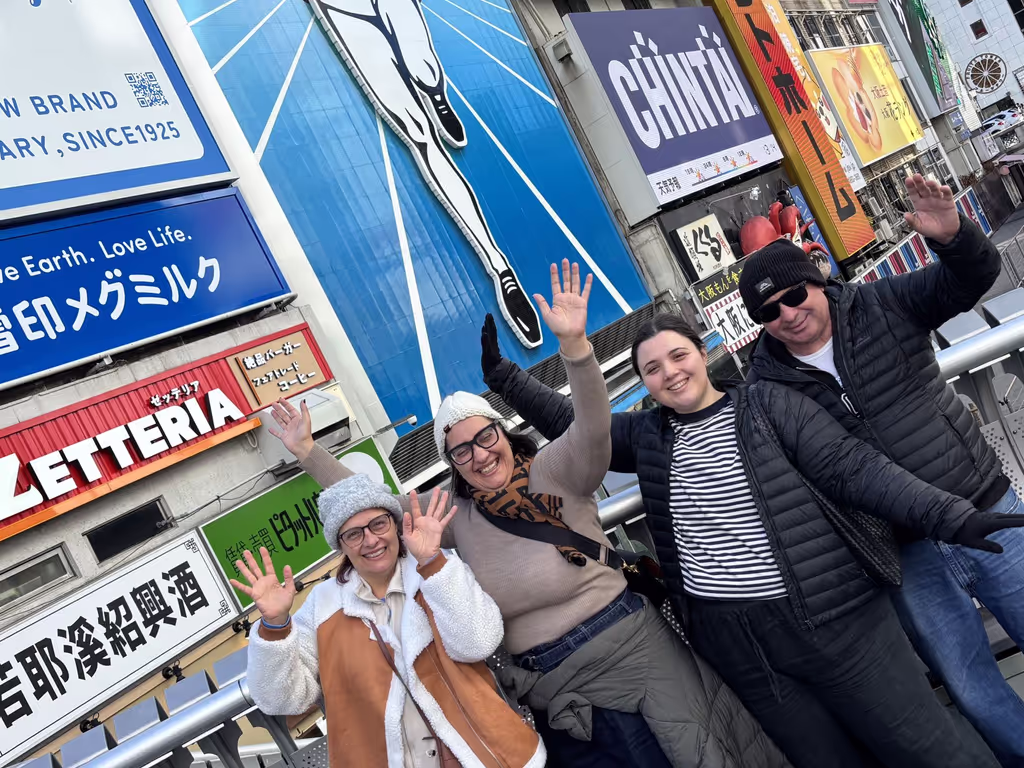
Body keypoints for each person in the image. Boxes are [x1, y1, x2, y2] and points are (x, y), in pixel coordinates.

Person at [270, 260, 790, 767]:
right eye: (460, 451)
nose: (478, 454)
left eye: (485, 436)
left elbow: (592, 424)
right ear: (451, 465)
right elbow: (374, 508)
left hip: (632, 649)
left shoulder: (555, 470)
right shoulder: (451, 515)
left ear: (504, 433)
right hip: (550, 687)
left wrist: (575, 348)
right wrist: (308, 453)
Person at [479, 307, 1024, 767]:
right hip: (740, 647)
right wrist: (505, 378)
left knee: (926, 745)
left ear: (701, 351)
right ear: (642, 383)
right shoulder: (646, 437)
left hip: (836, 619)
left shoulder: (767, 405)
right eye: (651, 369)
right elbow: (577, 421)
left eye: (678, 356)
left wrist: (949, 515)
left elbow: (854, 470)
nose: (669, 373)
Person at [737, 174, 1024, 767]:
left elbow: (970, 279)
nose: (788, 314)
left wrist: (954, 237)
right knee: (971, 686)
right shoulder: (765, 388)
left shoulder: (881, 302)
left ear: (817, 282)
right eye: (769, 310)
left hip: (985, 508)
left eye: (795, 296)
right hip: (903, 554)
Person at [239, 474, 545, 767]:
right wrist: (275, 626)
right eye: (354, 534)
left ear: (394, 523)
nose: (370, 540)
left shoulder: (437, 569)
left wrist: (433, 564)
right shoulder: (323, 606)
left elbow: (478, 642)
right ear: (341, 545)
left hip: (486, 753)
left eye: (378, 524)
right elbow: (281, 700)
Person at [310, 0, 542, 348]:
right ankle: (500, 269)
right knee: (420, 136)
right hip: (342, 11)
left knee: (423, 65)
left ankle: (435, 94)